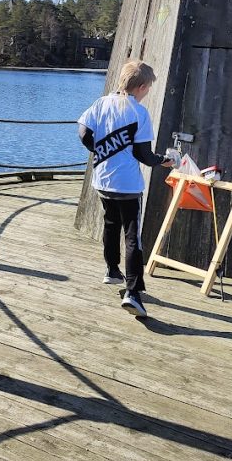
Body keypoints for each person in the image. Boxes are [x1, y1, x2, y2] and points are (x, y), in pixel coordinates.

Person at [78, 60, 175, 318]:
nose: (148, 92)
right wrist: (163, 161)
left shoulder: (101, 103)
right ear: (141, 87)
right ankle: (132, 292)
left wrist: (100, 150)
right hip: (128, 184)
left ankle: (112, 270)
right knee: (133, 236)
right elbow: (143, 155)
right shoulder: (139, 113)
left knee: (111, 224)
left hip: (103, 180)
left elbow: (83, 133)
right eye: (148, 87)